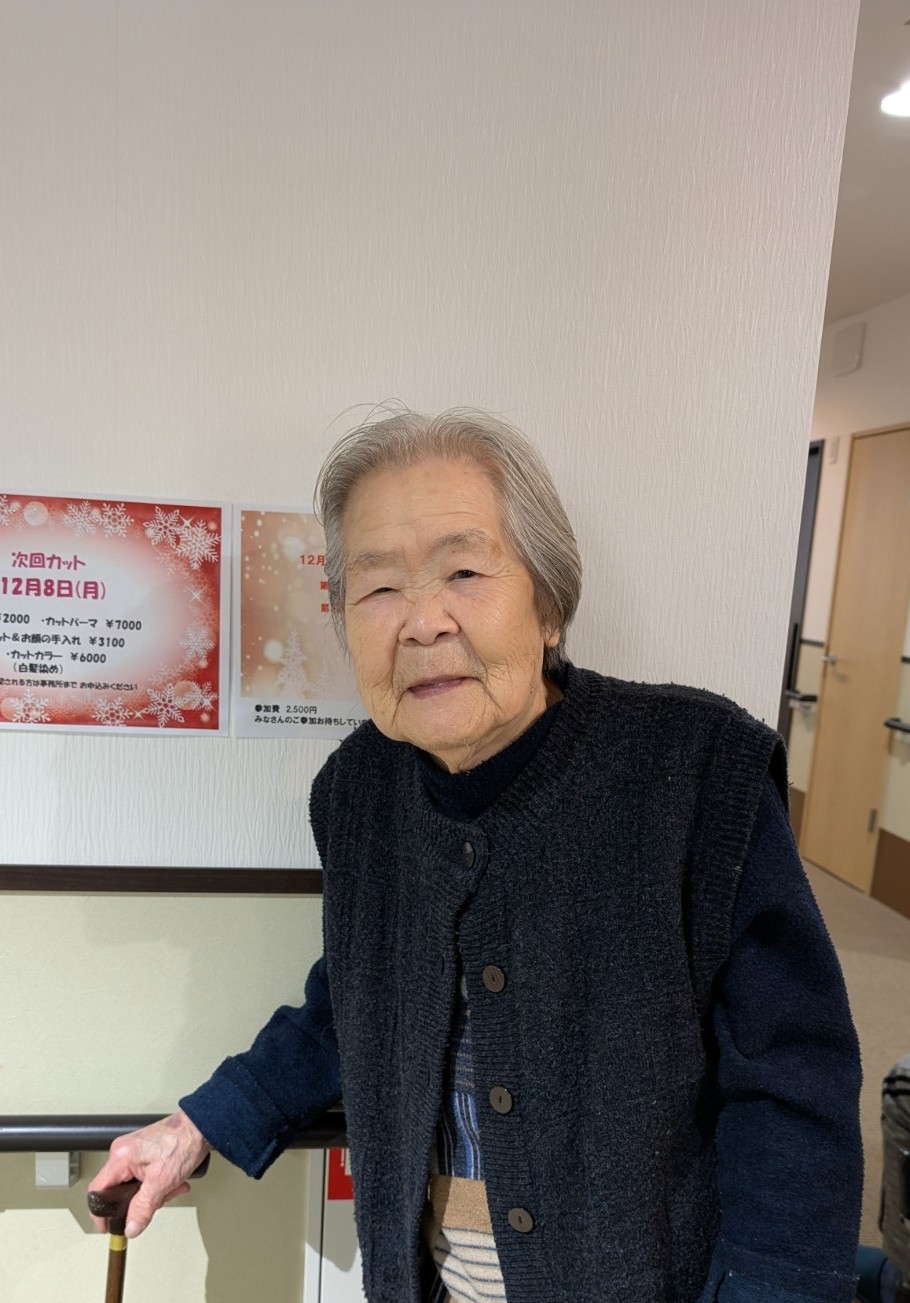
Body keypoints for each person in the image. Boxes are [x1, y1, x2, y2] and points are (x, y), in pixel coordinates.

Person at [90, 408, 863, 1303]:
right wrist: (196, 1125)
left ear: (549, 603)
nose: (423, 622)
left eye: (463, 571)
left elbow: (792, 1083)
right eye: (379, 588)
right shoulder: (357, 790)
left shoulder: (697, 771)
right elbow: (357, 1000)